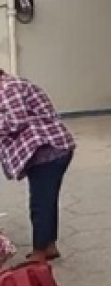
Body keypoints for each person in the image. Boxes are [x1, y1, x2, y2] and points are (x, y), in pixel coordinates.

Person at [0, 70, 75, 262]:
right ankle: (49, 246)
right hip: (51, 149)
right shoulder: (12, 85)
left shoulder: (7, 88)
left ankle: (39, 252)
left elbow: (16, 122)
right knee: (47, 199)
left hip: (47, 150)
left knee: (40, 202)